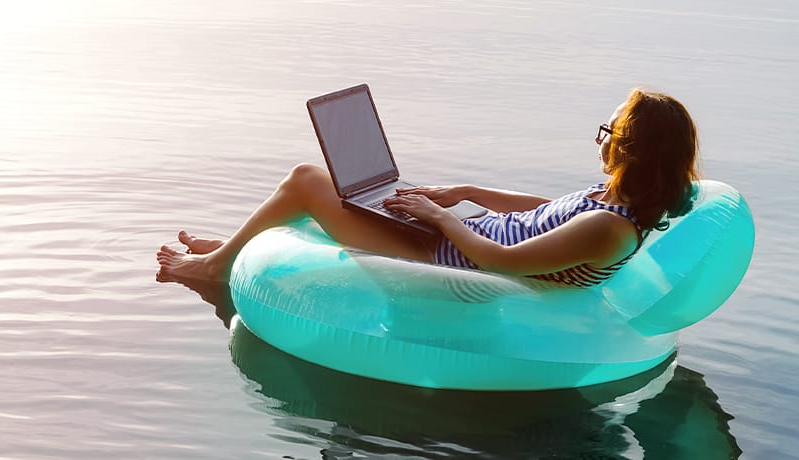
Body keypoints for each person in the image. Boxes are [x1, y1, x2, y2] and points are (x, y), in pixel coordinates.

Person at [157, 88, 699, 286]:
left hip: (444, 253)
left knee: (306, 180)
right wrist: (463, 191)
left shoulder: (610, 230)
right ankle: (231, 246)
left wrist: (441, 218)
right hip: (458, 232)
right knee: (348, 187)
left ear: (631, 150)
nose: (599, 139)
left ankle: (216, 265)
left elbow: (503, 264)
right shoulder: (612, 203)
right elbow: (544, 210)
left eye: (608, 132)